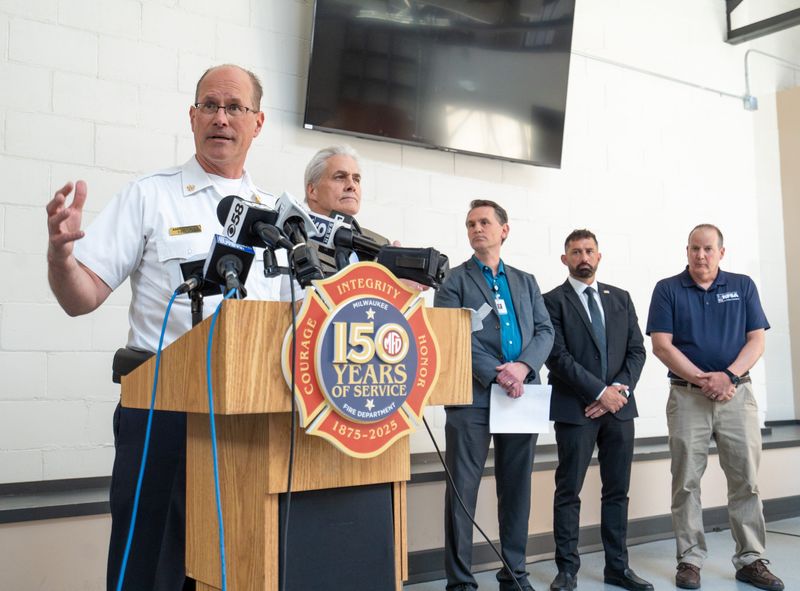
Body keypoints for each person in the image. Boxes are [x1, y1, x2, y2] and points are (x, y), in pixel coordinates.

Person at [46, 64, 289, 591]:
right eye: (209, 105)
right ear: (192, 116)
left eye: (234, 107)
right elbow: (80, 298)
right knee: (151, 569)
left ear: (258, 122)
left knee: (240, 563)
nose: (220, 118)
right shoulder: (149, 196)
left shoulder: (276, 215)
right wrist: (62, 259)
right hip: (162, 411)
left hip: (250, 418)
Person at [646, 224, 784, 591]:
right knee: (686, 482)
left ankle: (751, 559)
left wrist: (728, 377)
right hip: (687, 397)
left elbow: (756, 341)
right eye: (694, 248)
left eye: (708, 248)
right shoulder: (668, 289)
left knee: (746, 481)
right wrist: (705, 379)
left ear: (722, 252)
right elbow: (662, 346)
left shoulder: (743, 286)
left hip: (737, 396)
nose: (701, 255)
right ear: (686, 250)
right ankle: (689, 560)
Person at [434, 199, 554, 591]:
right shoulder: (453, 281)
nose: (476, 229)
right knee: (462, 493)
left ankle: (514, 574)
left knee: (516, 489)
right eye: (470, 224)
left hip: (520, 397)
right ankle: (460, 583)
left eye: (484, 222)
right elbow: (453, 337)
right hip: (472, 398)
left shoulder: (526, 281)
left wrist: (522, 368)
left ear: (504, 229)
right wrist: (497, 374)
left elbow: (544, 331)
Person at [543, 229, 651, 591]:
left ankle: (617, 568)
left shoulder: (620, 298)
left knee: (617, 491)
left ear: (599, 256)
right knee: (568, 490)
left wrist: (616, 390)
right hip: (576, 410)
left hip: (619, 410)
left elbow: (637, 350)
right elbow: (556, 356)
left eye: (589, 251)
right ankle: (567, 571)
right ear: (565, 259)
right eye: (575, 252)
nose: (583, 257)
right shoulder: (551, 301)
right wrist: (599, 391)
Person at [303, 144, 389, 274]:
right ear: (312, 190)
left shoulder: (381, 244)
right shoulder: (294, 238)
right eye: (339, 177)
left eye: (356, 179)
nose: (351, 186)